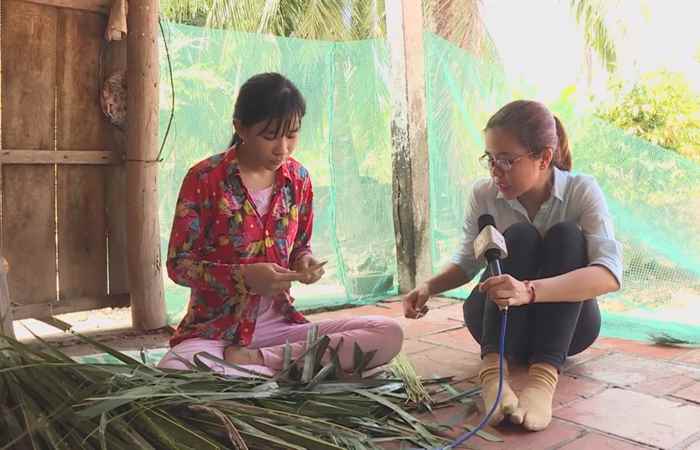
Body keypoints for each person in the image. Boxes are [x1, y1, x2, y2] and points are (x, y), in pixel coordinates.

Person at [158, 73, 402, 376]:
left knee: (388, 334)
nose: (283, 148)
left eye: (292, 135)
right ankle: (291, 370)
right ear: (240, 128)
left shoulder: (298, 179)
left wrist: (305, 261)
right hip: (216, 332)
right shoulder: (205, 179)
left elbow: (300, 244)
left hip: (280, 329)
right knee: (177, 369)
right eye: (270, 136)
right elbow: (178, 265)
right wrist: (243, 277)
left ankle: (261, 364)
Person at [403, 100, 622, 431]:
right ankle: (492, 375)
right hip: (499, 330)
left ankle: (543, 379)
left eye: (506, 160)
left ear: (544, 157)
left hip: (566, 333)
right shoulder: (484, 195)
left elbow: (608, 274)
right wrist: (428, 287)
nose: (495, 171)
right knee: (517, 236)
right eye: (490, 159)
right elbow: (467, 261)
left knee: (567, 237)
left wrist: (529, 291)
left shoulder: (581, 191)